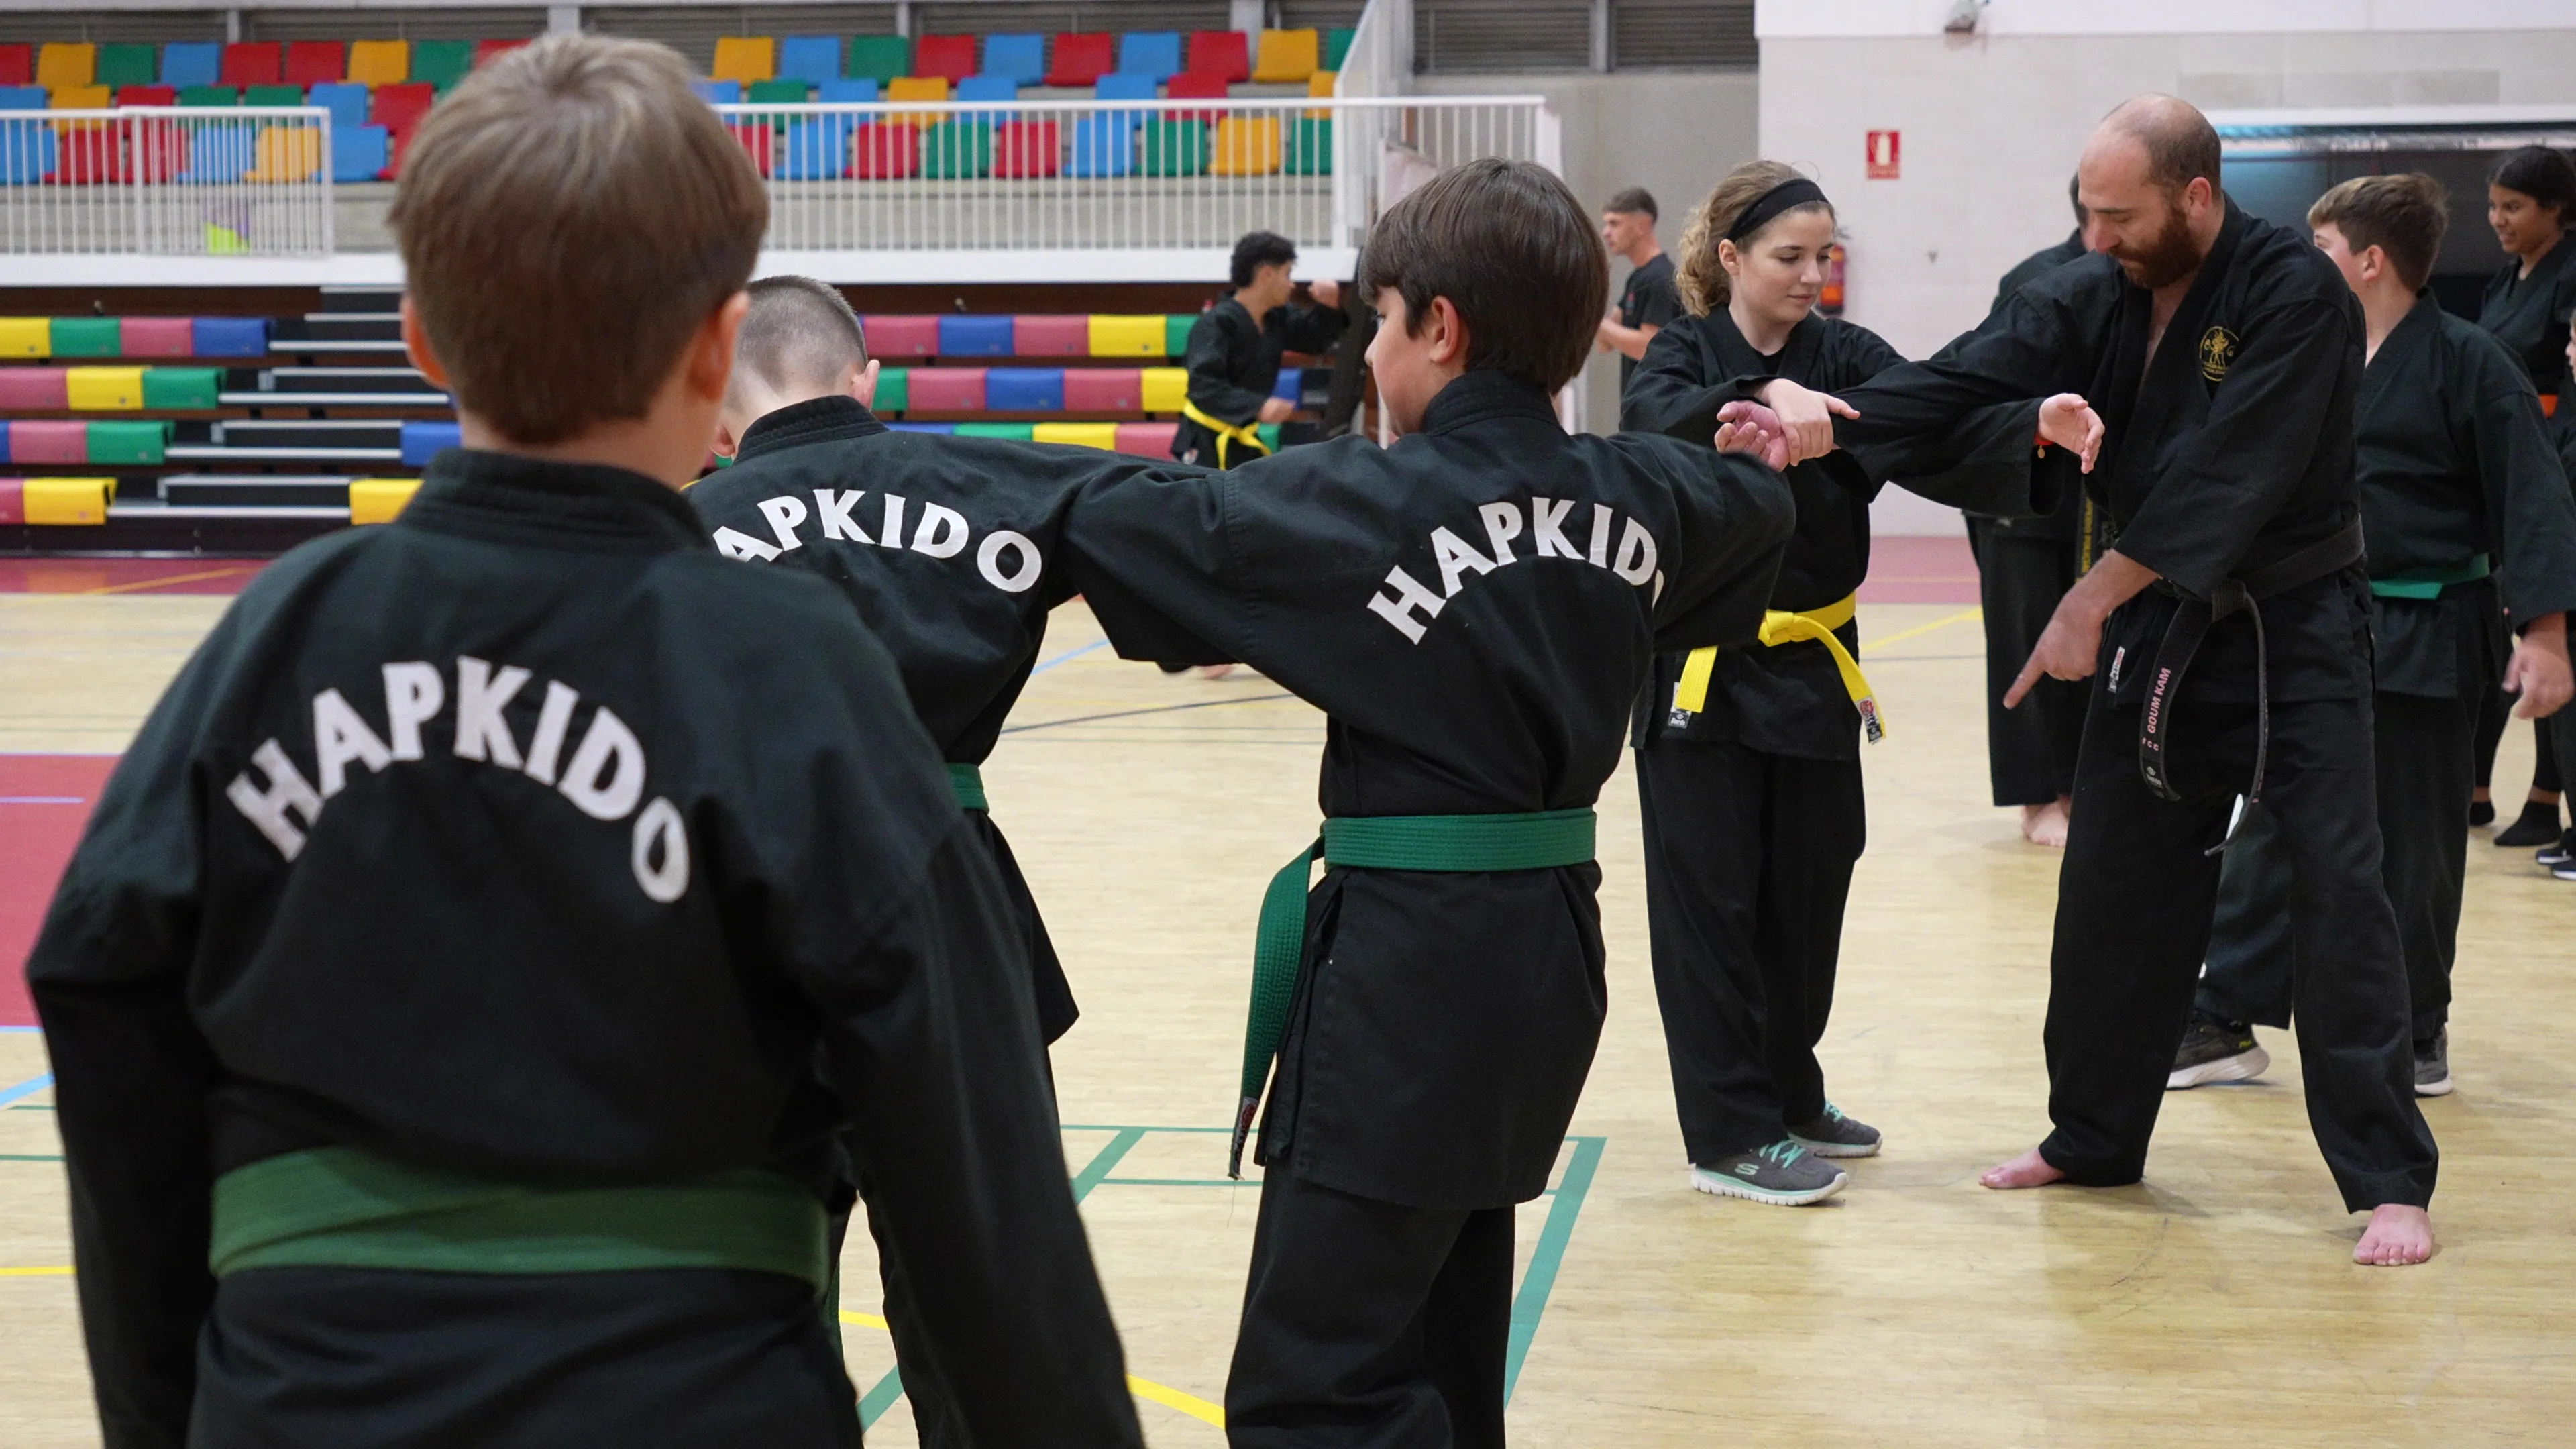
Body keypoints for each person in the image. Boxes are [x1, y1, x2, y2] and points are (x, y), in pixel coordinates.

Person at [24, 36, 1143, 1448]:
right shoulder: (791, 669)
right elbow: (978, 1173)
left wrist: (169, 1414)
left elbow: (99, 982)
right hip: (693, 1404)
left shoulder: (276, 639)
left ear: (422, 339)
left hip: (302, 1404)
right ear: (717, 351)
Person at [1057, 159, 1796, 1446]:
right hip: (1549, 957)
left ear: (1438, 327)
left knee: (1313, 1391)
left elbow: (1123, 521)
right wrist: (1768, 449)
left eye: (1381, 322)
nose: (1369, 351)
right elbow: (1755, 507)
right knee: (1443, 1346)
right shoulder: (1647, 494)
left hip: (1407, 974)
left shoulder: (1360, 503)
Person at [1752, 95, 2443, 1265]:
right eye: (2087, 212)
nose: (2096, 236)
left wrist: (2086, 601)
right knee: (2113, 886)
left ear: (2198, 197)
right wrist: (1824, 420)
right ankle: (2094, 1136)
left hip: (2295, 629)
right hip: (2162, 626)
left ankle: (2388, 1180)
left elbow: (2232, 476)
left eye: (2119, 216)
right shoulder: (2095, 287)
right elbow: (1970, 374)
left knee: (2338, 889)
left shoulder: (2296, 293)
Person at [690, 274, 1176, 1445]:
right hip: (949, 902)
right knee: (980, 1304)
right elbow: (1206, 533)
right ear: (867, 382)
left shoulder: (678, 531)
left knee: (751, 1294)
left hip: (745, 924)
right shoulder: (993, 485)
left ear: (715, 412)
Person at [1619, 161, 2086, 1205]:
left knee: (1810, 887)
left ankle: (1789, 1090)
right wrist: (1756, 398)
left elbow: (1933, 425)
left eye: (1823, 256)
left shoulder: (1846, 355)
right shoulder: (1685, 352)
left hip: (1815, 665)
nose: (1810, 275)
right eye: (1789, 256)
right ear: (1731, 257)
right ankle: (1728, 1133)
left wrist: (2031, 424)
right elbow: (1651, 423)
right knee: (1711, 906)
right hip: (1702, 673)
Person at [2172, 174, 2576, 1101]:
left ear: (2369, 260)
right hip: (2311, 623)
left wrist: (2548, 633)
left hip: (2429, 625)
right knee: (2272, 819)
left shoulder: (2471, 362)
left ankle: (2416, 1024)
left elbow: (2533, 498)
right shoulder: (2308, 354)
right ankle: (2223, 1011)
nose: (2304, 264)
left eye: (2320, 249)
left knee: (2416, 841)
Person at [1964, 175, 2100, 847]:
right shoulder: (2037, 282)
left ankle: (2078, 787)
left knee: (2089, 642)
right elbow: (1988, 387)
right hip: (2021, 492)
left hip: (2094, 498)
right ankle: (2037, 798)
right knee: (2023, 642)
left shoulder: (2143, 280)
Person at [2470, 146, 2576, 844]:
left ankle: (2548, 798)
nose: (2498, 219)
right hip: (2505, 458)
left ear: (2555, 210)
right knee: (2516, 627)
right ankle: (2507, 794)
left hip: (2557, 456)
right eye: (2493, 206)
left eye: (2513, 207)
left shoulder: (2570, 272)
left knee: (2554, 630)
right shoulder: (2505, 280)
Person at [1171, 229, 1347, 470]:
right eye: (1287, 274)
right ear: (1266, 274)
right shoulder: (1215, 324)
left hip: (1243, 439)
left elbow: (1315, 339)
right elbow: (1204, 387)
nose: (1292, 284)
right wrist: (1258, 407)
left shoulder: (1276, 318)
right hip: (1203, 443)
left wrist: (1329, 306)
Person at [1597, 186, 1682, 390]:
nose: (1606, 233)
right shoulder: (1638, 278)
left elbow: (1648, 346)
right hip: (1637, 401)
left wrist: (1594, 321)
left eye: (1614, 223)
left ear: (1642, 225)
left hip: (1658, 401)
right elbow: (1604, 344)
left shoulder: (1660, 278)